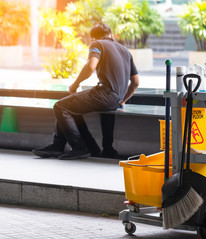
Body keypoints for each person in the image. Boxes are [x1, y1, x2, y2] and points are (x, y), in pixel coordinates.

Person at [33, 23, 139, 160]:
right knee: (69, 107)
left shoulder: (97, 44)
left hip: (105, 94)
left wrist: (74, 85)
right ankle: (84, 147)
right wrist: (122, 100)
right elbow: (135, 83)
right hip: (115, 99)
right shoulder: (125, 51)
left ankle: (77, 147)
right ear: (111, 36)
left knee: (60, 106)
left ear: (92, 39)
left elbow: (90, 67)